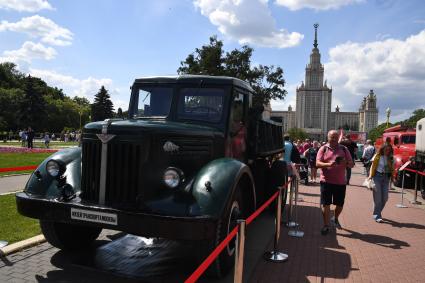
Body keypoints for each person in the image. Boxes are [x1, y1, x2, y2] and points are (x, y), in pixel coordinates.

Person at [316, 130, 354, 235]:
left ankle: (335, 218)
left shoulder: (344, 149)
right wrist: (328, 164)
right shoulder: (323, 148)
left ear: (338, 138)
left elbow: (352, 164)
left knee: (340, 204)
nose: (334, 139)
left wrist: (345, 162)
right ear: (327, 137)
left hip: (340, 182)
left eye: (335, 137)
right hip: (326, 181)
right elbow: (317, 163)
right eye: (331, 137)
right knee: (325, 204)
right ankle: (326, 225)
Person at [368, 144, 393, 223]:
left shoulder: (391, 158)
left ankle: (377, 211)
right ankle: (377, 215)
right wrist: (370, 176)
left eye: (389, 150)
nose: (387, 151)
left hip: (386, 178)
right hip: (377, 177)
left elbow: (392, 168)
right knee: (378, 198)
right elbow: (372, 166)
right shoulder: (377, 156)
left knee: (385, 198)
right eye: (386, 149)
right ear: (382, 149)